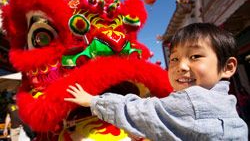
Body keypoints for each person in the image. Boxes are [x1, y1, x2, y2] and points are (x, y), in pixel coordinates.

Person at [64, 23, 248, 140]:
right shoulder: (225, 100)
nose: (180, 67)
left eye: (195, 56)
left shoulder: (194, 100)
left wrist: (94, 101)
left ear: (228, 67)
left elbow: (141, 111)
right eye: (174, 58)